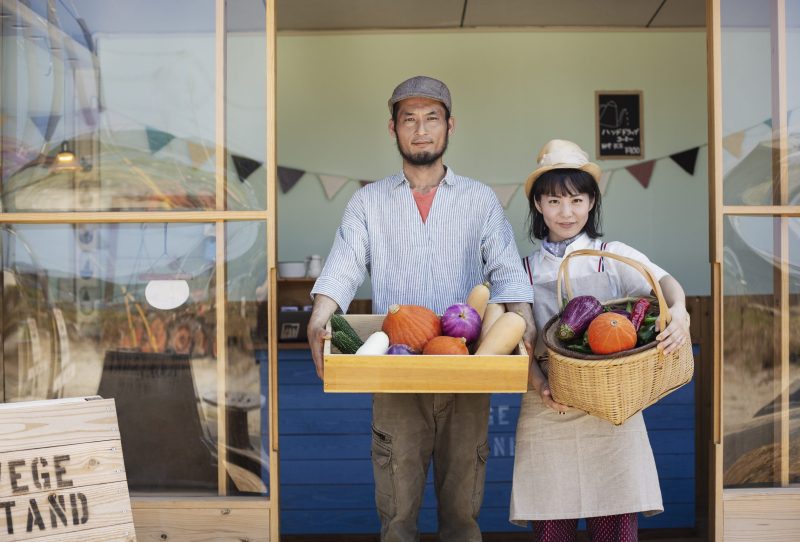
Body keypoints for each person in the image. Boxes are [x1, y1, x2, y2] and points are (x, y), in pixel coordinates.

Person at [307, 75, 535, 542]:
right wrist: (319, 315)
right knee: (397, 517)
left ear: (450, 125)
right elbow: (346, 264)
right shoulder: (368, 202)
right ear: (393, 129)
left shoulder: (480, 200)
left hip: (468, 365)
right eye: (409, 119)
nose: (421, 129)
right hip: (396, 369)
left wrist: (522, 321)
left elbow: (507, 270)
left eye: (432, 118)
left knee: (462, 517)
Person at [509, 139, 691, 542]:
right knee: (551, 527)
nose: (566, 212)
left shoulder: (613, 254)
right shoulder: (519, 269)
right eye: (554, 201)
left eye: (576, 199)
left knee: (615, 523)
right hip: (548, 406)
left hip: (613, 404)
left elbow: (664, 284)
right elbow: (518, 345)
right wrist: (541, 387)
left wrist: (679, 311)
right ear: (538, 205)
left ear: (591, 202)